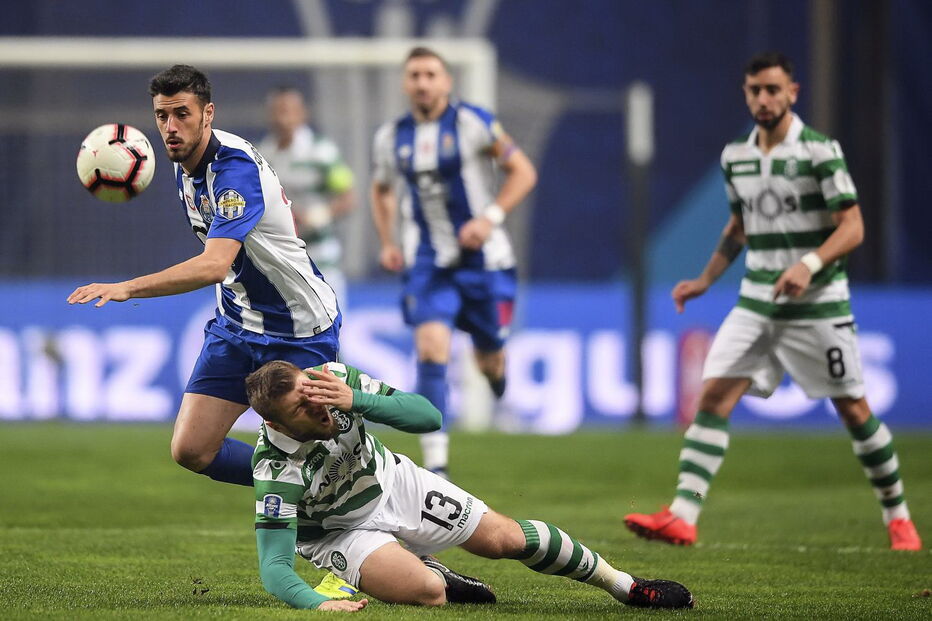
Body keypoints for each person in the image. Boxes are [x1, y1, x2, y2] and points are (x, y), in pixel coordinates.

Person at [624, 52, 922, 551]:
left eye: (772, 90)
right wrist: (705, 279)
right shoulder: (735, 156)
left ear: (792, 93)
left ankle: (898, 516)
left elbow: (853, 226)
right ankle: (683, 515)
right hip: (757, 301)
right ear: (746, 95)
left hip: (818, 304)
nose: (763, 99)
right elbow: (739, 228)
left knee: (853, 410)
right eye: (754, 91)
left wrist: (808, 265)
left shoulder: (819, 151)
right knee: (713, 398)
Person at [67, 65, 341, 488]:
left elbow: (214, 264)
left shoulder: (234, 171)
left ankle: (362, 503)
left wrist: (127, 287)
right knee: (192, 449)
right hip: (236, 325)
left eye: (182, 114)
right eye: (162, 116)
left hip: (298, 329)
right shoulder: (183, 165)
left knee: (326, 450)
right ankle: (298, 484)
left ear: (207, 113)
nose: (170, 127)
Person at [245, 359, 694, 611]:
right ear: (273, 421)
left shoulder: (334, 383)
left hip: (395, 481)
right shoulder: (274, 471)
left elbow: (428, 416)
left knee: (504, 539)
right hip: (337, 532)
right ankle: (434, 571)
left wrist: (357, 399)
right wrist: (317, 605)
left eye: (312, 391)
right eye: (302, 408)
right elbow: (275, 571)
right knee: (430, 595)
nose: (319, 407)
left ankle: (625, 586)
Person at [371, 47, 537, 478]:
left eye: (430, 74)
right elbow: (382, 188)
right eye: (415, 75)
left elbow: (523, 171)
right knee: (431, 349)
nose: (423, 83)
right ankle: (437, 467)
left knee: (490, 359)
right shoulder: (391, 137)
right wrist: (388, 240)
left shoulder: (474, 123)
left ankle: (499, 381)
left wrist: (489, 218)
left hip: (484, 261)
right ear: (406, 84)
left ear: (446, 82)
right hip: (427, 261)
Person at [258, 87, 355, 306]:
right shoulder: (264, 154)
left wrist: (319, 216)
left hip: (319, 254)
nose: (284, 118)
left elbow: (348, 196)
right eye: (278, 111)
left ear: (302, 113)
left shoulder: (321, 152)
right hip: (281, 256)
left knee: (329, 323)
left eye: (289, 110)